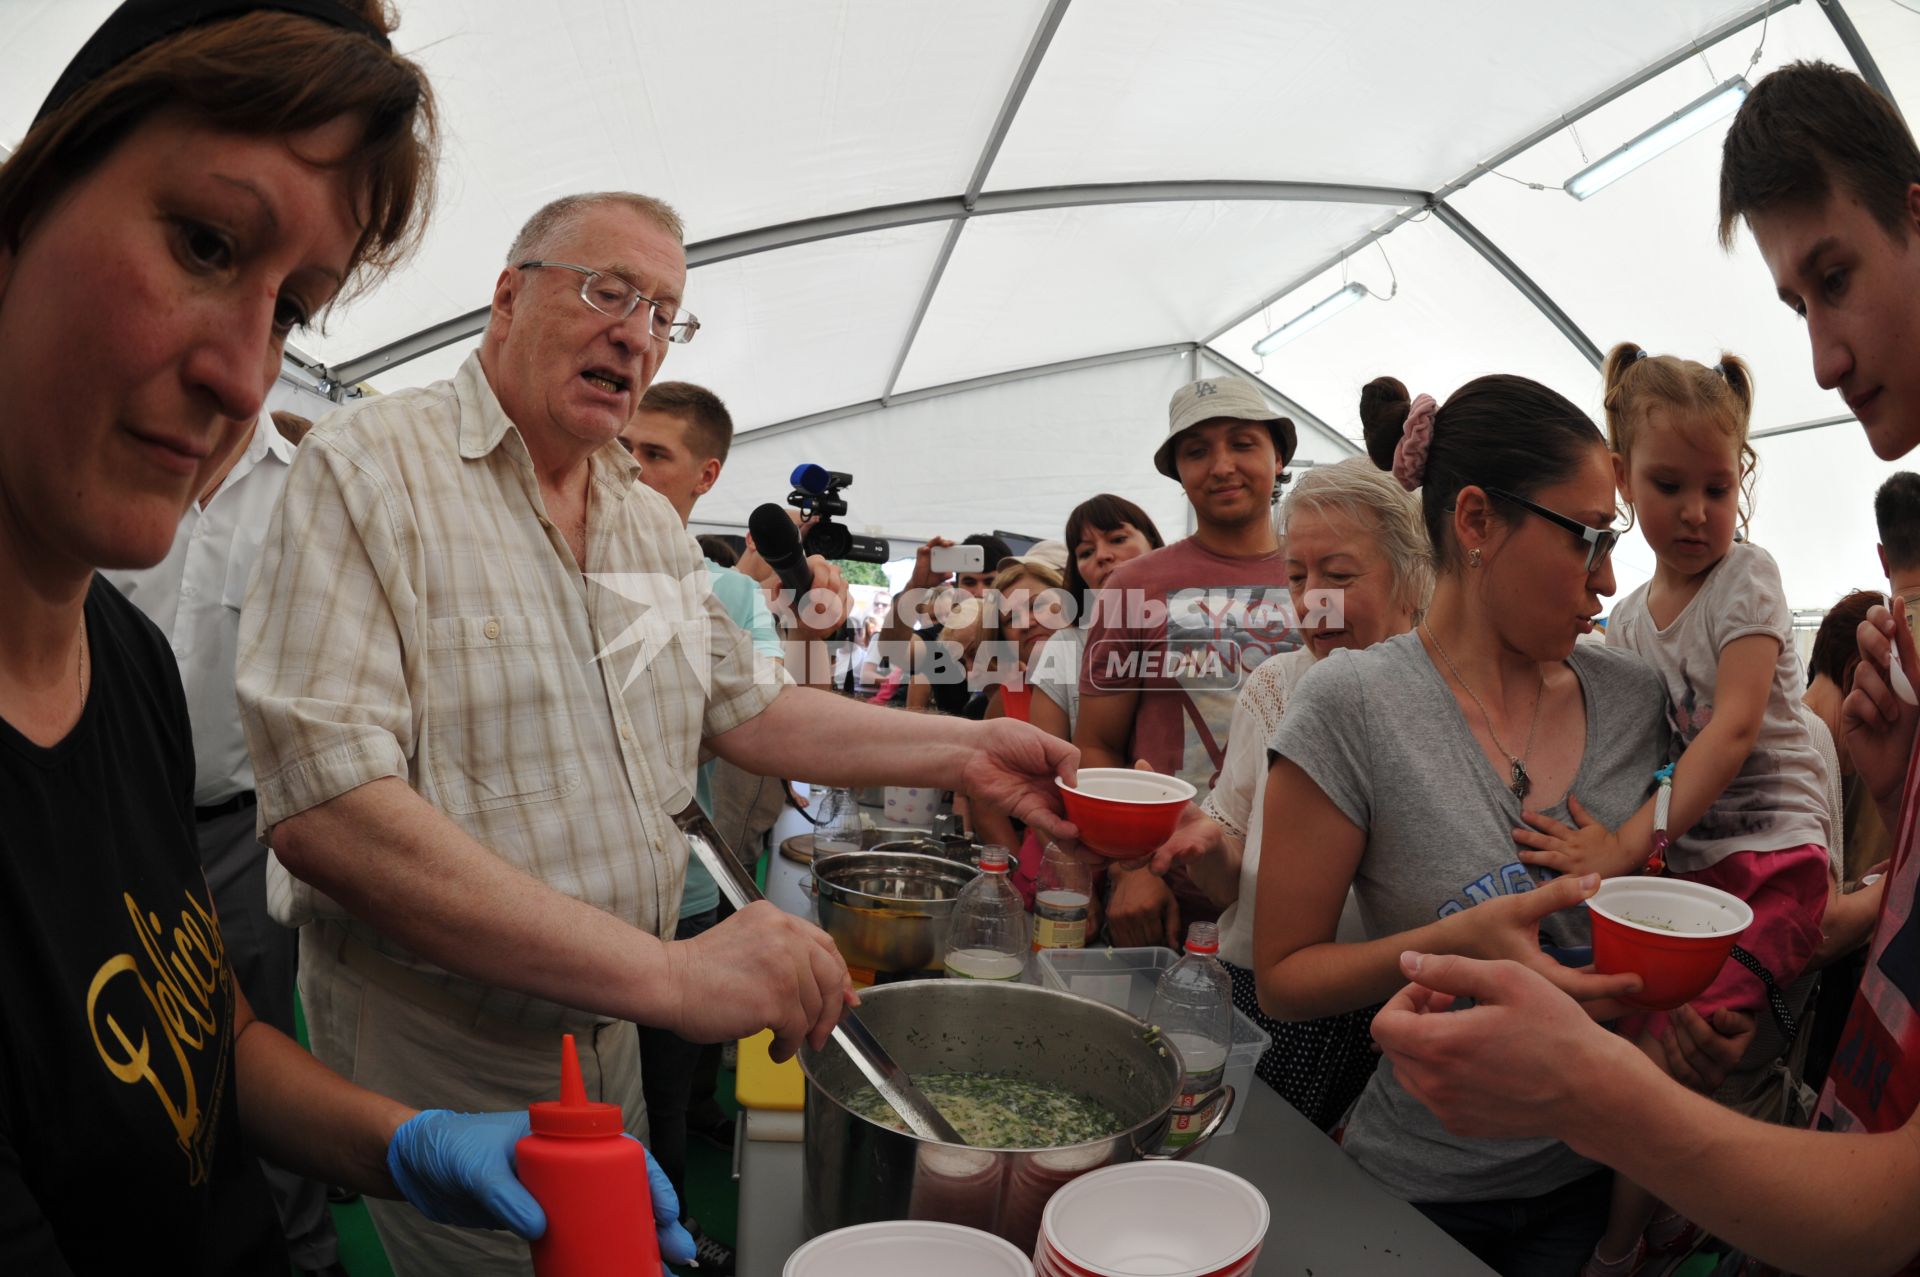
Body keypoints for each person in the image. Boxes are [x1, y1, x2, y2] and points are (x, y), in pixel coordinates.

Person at [235, 189, 1079, 1272]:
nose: (636, 331)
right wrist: (674, 977)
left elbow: (749, 707)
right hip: (447, 1045)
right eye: (608, 291)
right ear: (506, 294)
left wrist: (966, 751)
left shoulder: (637, 514)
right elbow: (327, 810)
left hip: (611, 1029)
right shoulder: (370, 465)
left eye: (664, 312)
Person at [0, 1, 689, 1272]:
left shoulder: (125, 667)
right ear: (24, 202)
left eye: (290, 314)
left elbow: (194, 1033)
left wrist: (408, 1142)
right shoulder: (384, 465)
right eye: (205, 242)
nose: (245, 378)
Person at [1370, 61, 1920, 1277]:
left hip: (1793, 1020)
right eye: (1797, 305)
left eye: (1837, 279)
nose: (1826, 357)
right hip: (1839, 1086)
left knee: (1713, 1028)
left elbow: (1722, 742)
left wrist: (1596, 1070)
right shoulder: (1598, 653)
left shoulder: (1748, 583)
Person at [1255, 373, 1662, 1274]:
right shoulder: (1351, 705)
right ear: (1476, 521)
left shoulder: (1638, 699)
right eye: (1588, 538)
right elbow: (1283, 976)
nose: (1608, 577)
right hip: (1421, 1197)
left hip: (1603, 1177)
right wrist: (1457, 941)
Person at [1518, 345, 1831, 1275]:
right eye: (1667, 485)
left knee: (1659, 1058)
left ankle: (1621, 1250)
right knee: (1633, 1027)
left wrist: (1619, 846)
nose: (1697, 512)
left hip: (1774, 858)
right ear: (1619, 476)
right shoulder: (1624, 620)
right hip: (1692, 864)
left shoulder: (1749, 578)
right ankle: (1657, 1215)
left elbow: (1730, 732)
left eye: (1717, 486)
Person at [102, 407, 343, 1274]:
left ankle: (302, 1247)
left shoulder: (315, 479)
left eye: (281, 315)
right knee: (113, 1046)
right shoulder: (110, 457)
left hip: (241, 827)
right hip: (103, 815)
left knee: (257, 1036)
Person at [1147, 457, 1431, 1129]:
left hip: (1395, 1020)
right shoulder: (1276, 684)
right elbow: (1229, 887)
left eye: (1338, 574)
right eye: (1298, 577)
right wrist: (1205, 845)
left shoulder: (1447, 703)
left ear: (1411, 577)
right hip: (1263, 1006)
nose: (1312, 600)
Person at [618, 379, 830, 1274]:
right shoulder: (549, 566)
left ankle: (663, 1231)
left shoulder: (729, 598)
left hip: (683, 882)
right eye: (623, 445)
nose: (628, 465)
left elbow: (779, 713)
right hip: (577, 889)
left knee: (666, 1084)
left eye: (654, 454)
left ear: (705, 475)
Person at [1077, 377, 1299, 948]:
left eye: (1242, 443)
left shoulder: (1327, 573)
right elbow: (1098, 747)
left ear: (1279, 455)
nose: (1221, 465)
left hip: (1308, 891)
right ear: (1178, 472)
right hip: (1168, 898)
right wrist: (1128, 869)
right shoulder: (1133, 586)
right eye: (1196, 451)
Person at [1029, 494, 1165, 743]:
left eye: (1118, 539)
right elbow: (1045, 764)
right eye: (1086, 552)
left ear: (1154, 543)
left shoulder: (1202, 626)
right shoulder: (1064, 648)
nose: (1102, 555)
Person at [879, 531, 1014, 715]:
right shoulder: (942, 636)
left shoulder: (1019, 633)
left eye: (990, 581)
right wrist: (916, 586)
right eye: (969, 582)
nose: (979, 591)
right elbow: (892, 650)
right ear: (957, 587)